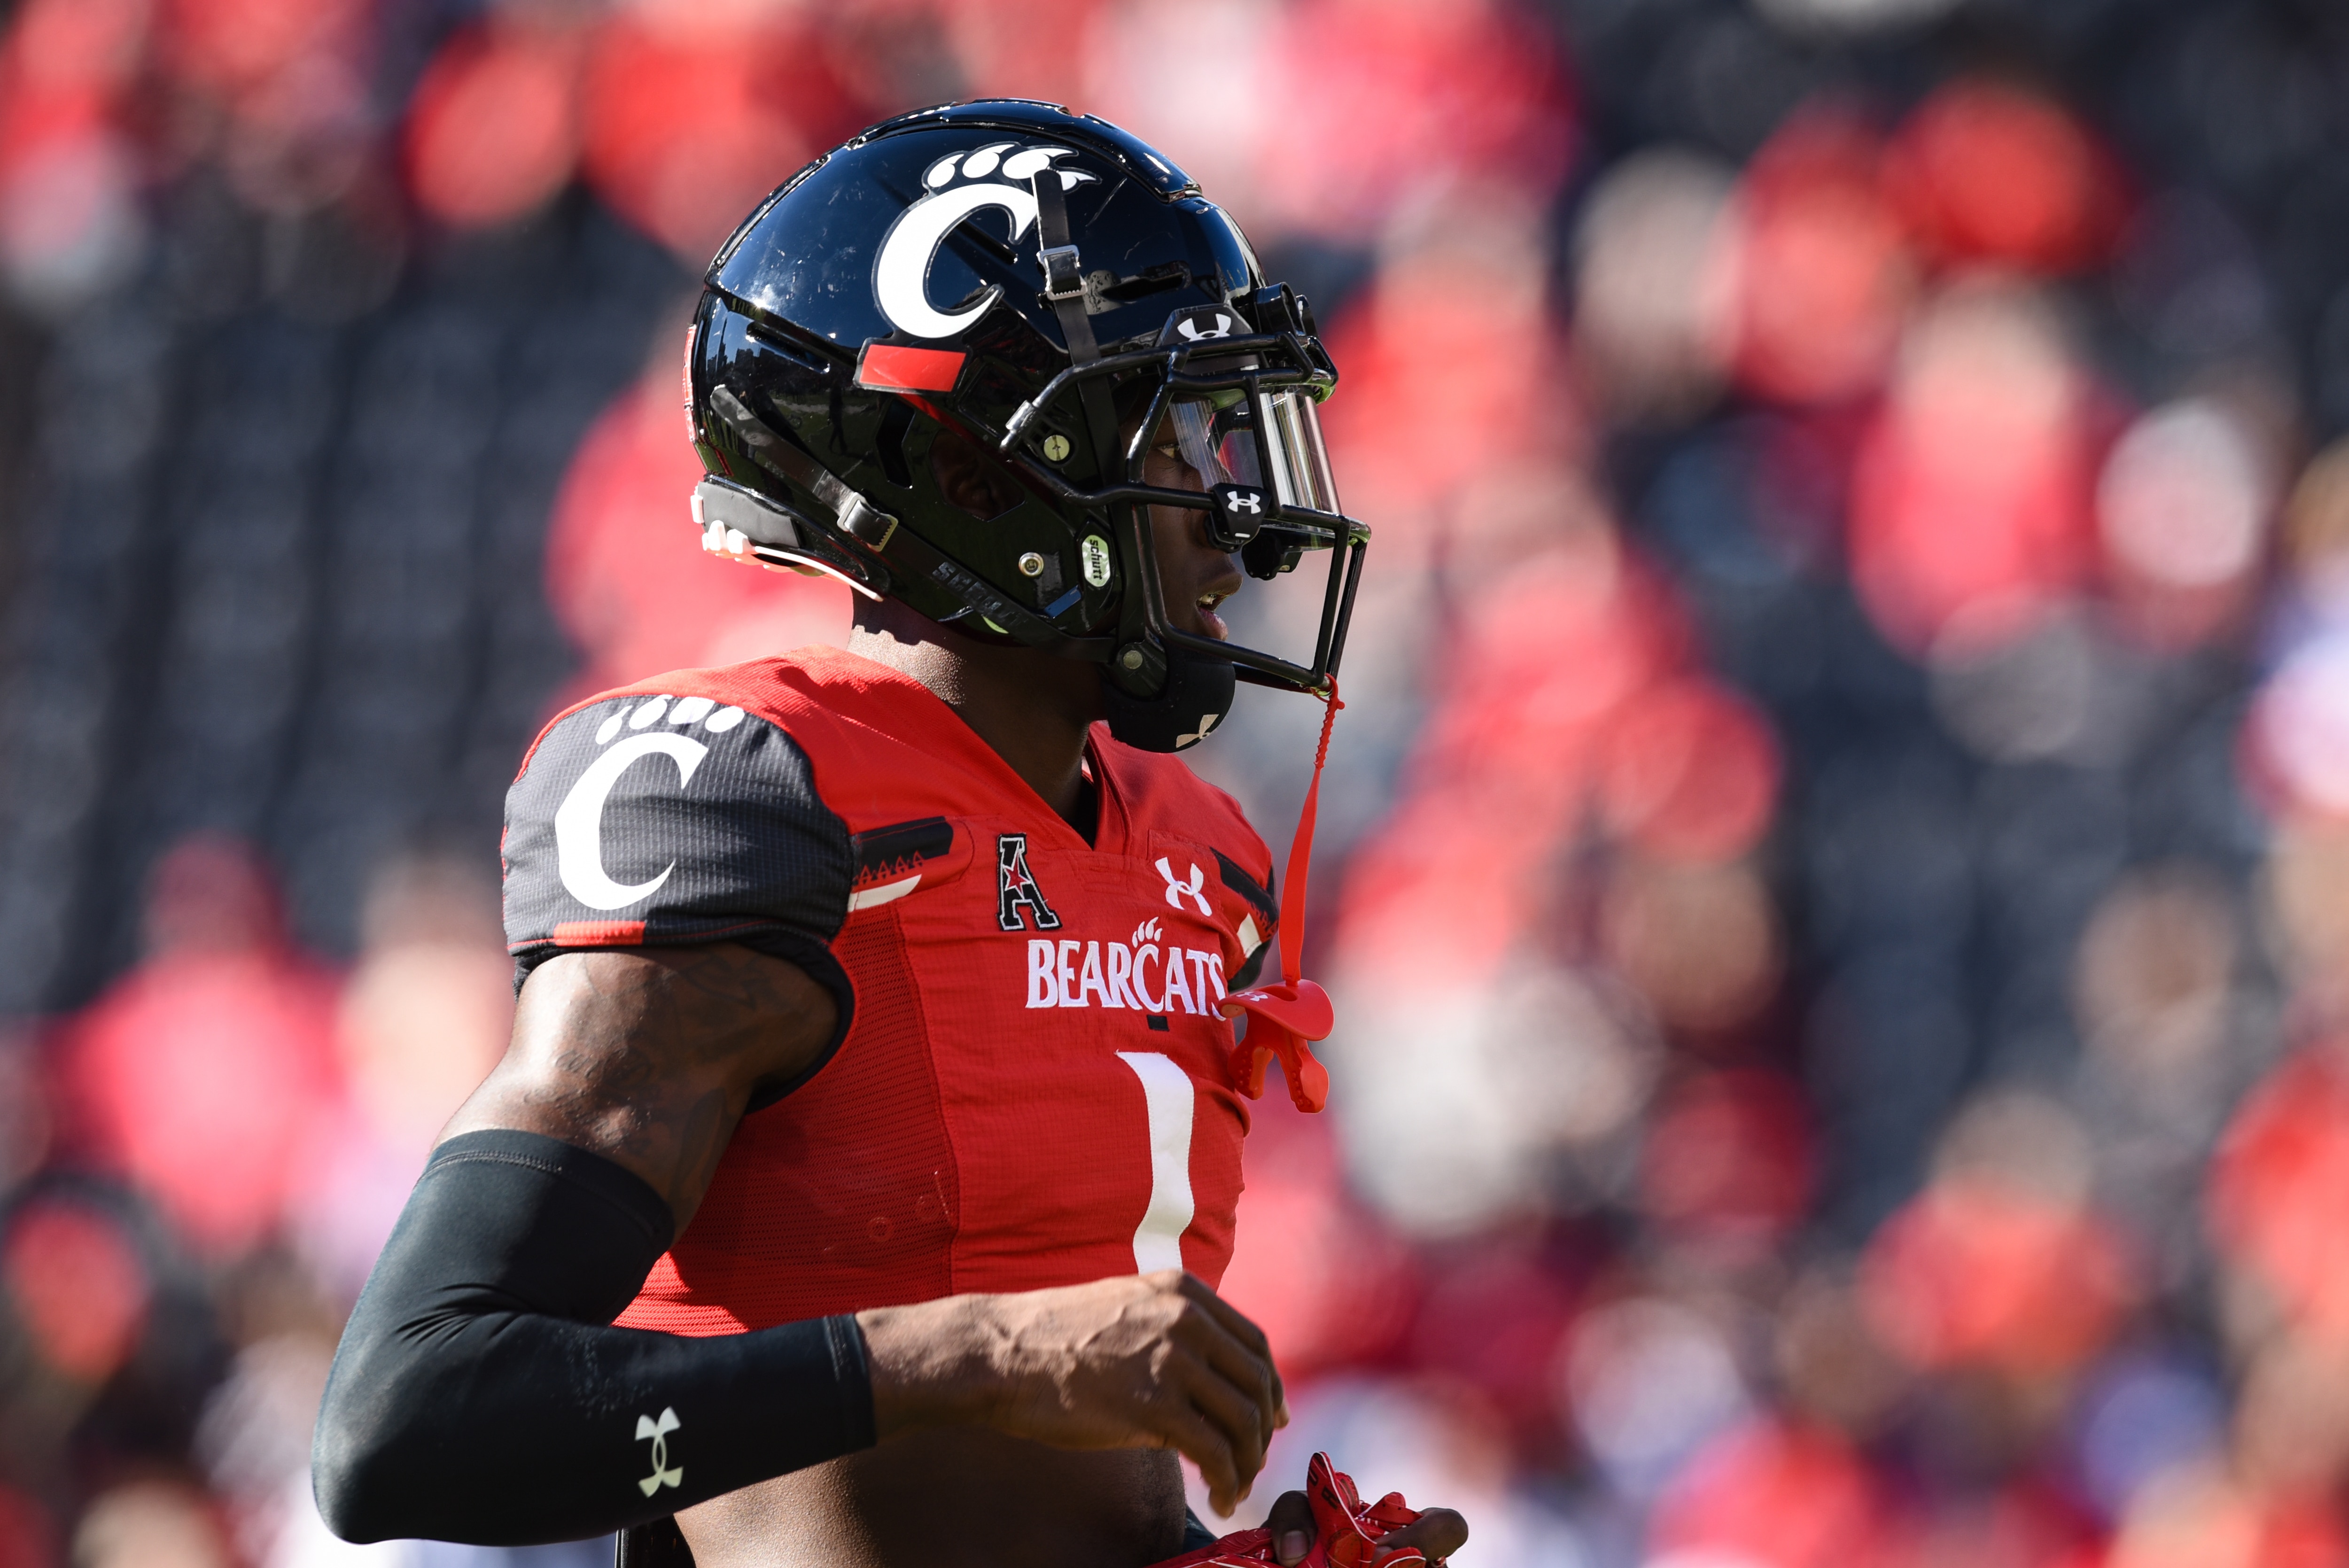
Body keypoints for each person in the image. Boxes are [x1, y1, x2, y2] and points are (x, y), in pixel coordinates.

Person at [311, 100, 1466, 1568]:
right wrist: (974, 1348)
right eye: (1180, 435)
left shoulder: (1199, 851)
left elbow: (1055, 1444)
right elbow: (406, 1425)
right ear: (986, 476)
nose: (1231, 511)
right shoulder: (759, 797)